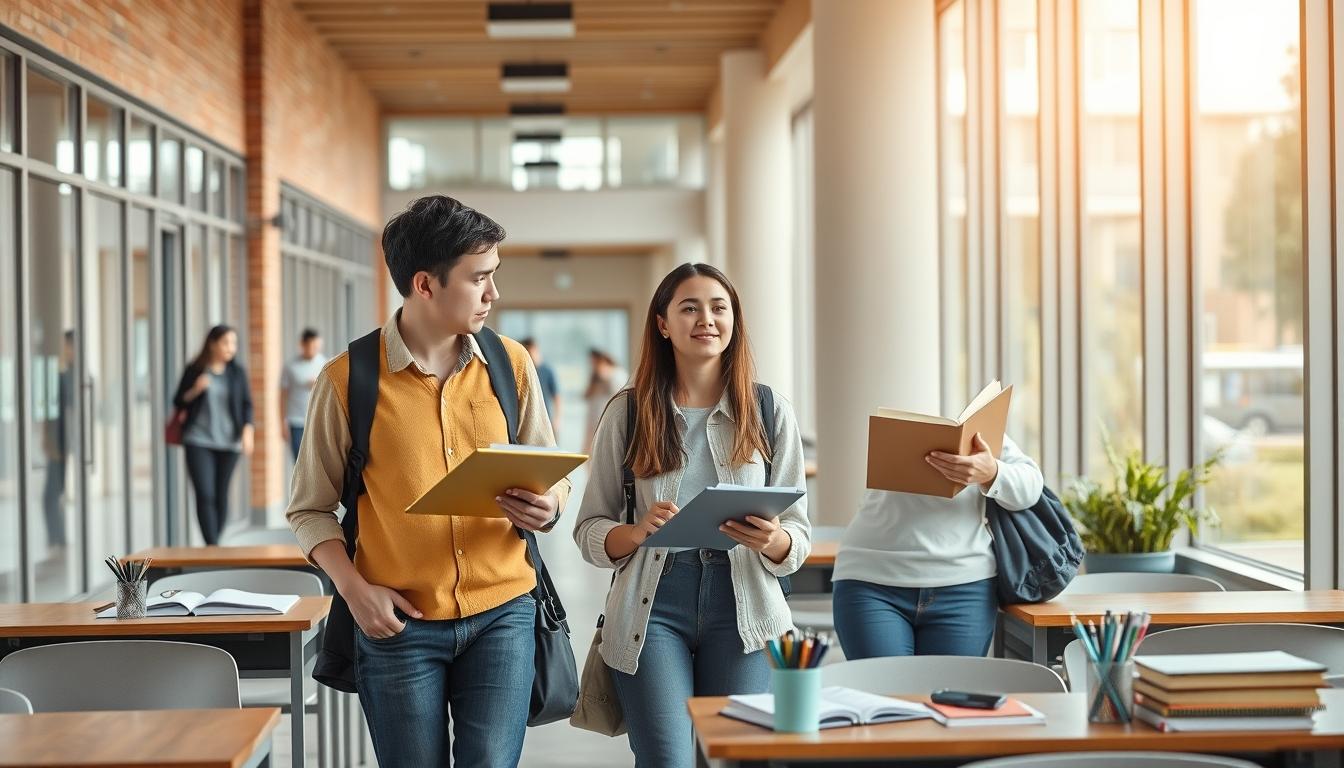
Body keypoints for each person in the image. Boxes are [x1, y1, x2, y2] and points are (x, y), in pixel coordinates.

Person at [285, 194, 569, 767]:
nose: (494, 294)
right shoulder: (347, 380)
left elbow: (551, 470)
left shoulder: (510, 365)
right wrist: (353, 590)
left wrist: (551, 504)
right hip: (398, 623)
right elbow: (309, 509)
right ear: (425, 284)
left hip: (504, 611)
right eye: (480, 278)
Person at [573, 263, 811, 768]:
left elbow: (798, 536)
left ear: (733, 320)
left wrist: (772, 541)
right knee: (668, 758)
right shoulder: (629, 411)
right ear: (663, 323)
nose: (707, 319)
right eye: (690, 307)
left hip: (745, 603)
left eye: (718, 307)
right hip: (652, 607)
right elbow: (589, 529)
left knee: (735, 757)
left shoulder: (769, 410)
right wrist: (635, 532)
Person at [830, 433, 1044, 658]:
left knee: (951, 693)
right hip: (871, 582)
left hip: (964, 587)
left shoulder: (981, 433)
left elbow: (1031, 488)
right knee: (882, 692)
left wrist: (992, 473)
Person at [171, 324, 254, 545]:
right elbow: (178, 400)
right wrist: (195, 390)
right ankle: (212, 545)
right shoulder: (195, 370)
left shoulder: (237, 373)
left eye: (233, 343)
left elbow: (247, 405)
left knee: (220, 494)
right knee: (205, 493)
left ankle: (215, 542)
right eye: (226, 343)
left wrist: (248, 429)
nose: (231, 348)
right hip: (198, 440)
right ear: (212, 344)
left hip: (229, 443)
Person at [40, 331, 75, 562]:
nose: (65, 350)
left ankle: (58, 540)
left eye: (67, 346)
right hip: (62, 445)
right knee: (53, 495)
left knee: (50, 496)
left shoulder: (69, 377)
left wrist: (52, 443)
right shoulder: (69, 375)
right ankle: (58, 540)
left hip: (62, 446)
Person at [279, 328, 326, 459]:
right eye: (313, 346)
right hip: (296, 422)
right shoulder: (290, 366)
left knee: (317, 461)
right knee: (299, 461)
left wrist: (318, 384)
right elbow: (283, 395)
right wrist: (282, 421)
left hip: (318, 420)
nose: (316, 350)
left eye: (318, 346)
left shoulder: (324, 363)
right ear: (303, 344)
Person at [582, 348, 625, 454]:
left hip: (607, 419)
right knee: (591, 451)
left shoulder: (617, 374)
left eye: (595, 362)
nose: (594, 366)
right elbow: (586, 395)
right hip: (594, 418)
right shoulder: (595, 377)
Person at [521, 337, 561, 437]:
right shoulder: (523, 370)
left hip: (545, 419)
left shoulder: (547, 371)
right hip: (528, 421)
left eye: (529, 351)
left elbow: (557, 397)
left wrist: (557, 419)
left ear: (535, 349)